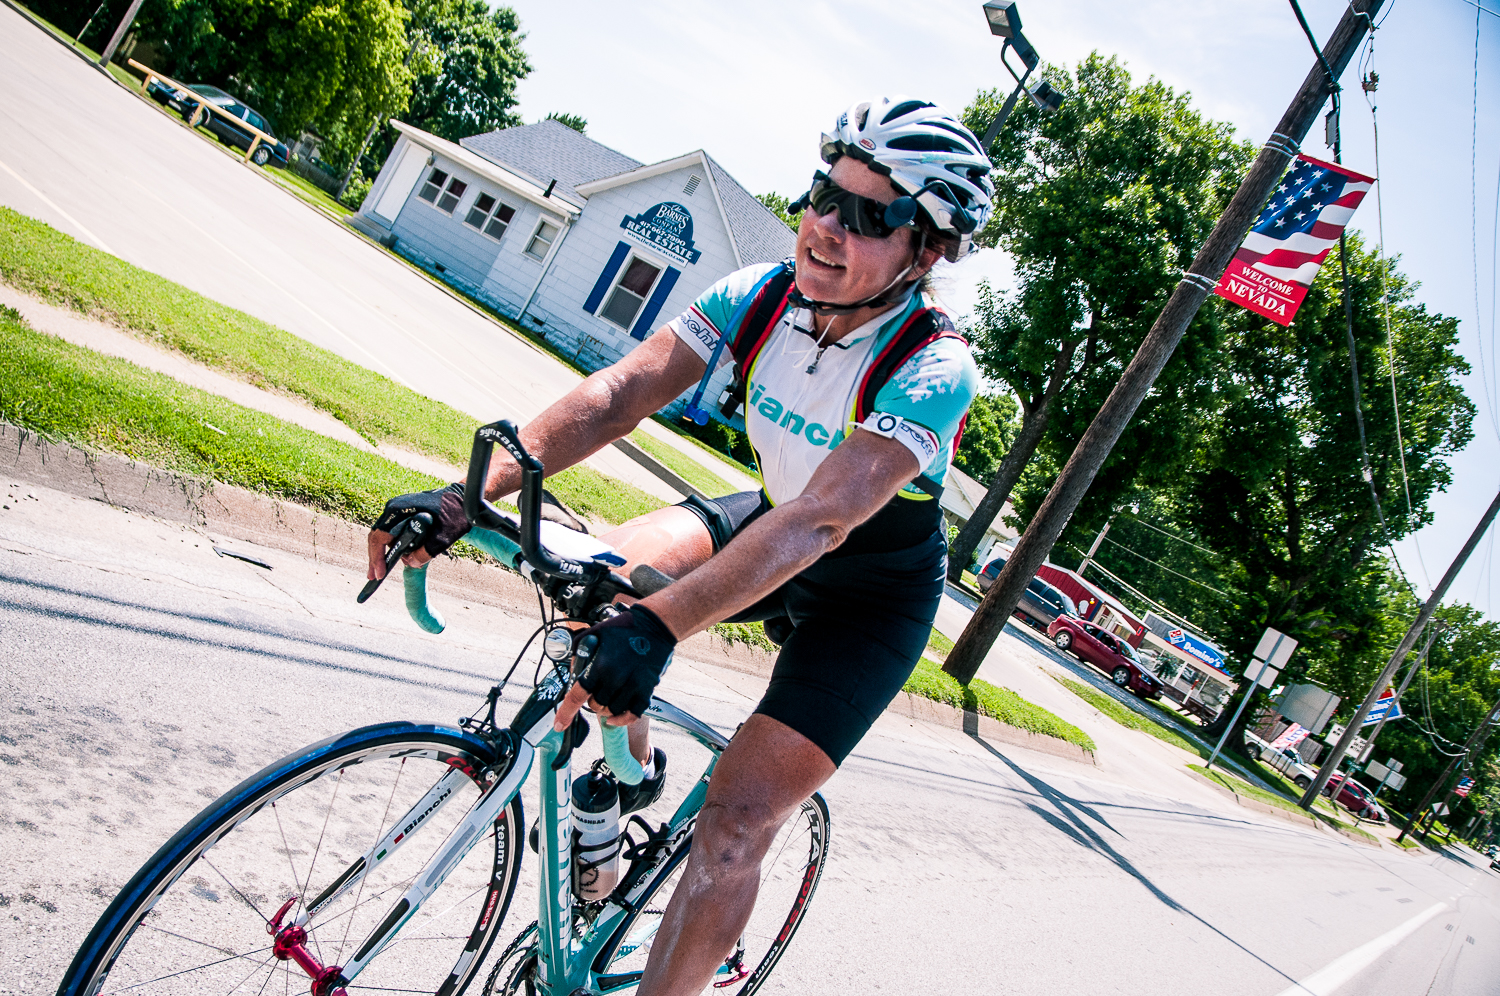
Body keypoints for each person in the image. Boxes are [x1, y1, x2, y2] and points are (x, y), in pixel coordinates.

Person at [367, 95, 993, 996]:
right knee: (601, 581)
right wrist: (466, 496)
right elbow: (621, 395)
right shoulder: (760, 294)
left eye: (865, 216)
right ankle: (633, 773)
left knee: (733, 828)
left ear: (927, 249)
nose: (824, 225)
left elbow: (823, 518)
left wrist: (660, 628)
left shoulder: (934, 366)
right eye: (823, 193)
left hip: (864, 595)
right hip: (765, 521)